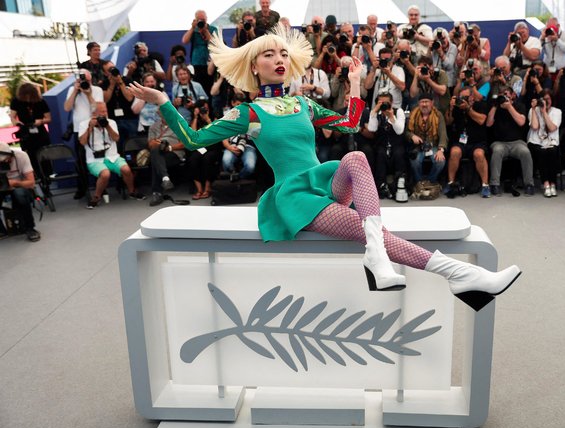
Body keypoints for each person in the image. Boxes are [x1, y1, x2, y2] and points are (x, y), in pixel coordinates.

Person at [128, 24, 520, 309]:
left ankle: (381, 255)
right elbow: (195, 140)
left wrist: (353, 84)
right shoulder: (248, 112)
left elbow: (349, 125)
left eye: (283, 53)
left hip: (323, 183)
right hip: (295, 196)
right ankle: (457, 275)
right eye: (269, 54)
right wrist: (163, 100)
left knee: (353, 156)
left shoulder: (302, 104)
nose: (279, 59)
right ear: (253, 66)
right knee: (370, 229)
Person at [78, 102, 145, 208]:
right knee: (105, 174)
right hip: (94, 160)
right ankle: (96, 197)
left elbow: (116, 138)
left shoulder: (111, 122)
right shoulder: (83, 124)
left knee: (126, 170)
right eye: (102, 112)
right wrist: (90, 127)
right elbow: (82, 142)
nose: (105, 113)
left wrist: (107, 126)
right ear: (94, 113)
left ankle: (132, 191)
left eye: (106, 111)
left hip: (113, 156)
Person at [486, 85, 535, 196]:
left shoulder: (519, 106)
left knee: (525, 152)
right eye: (502, 94)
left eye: (507, 93)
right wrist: (495, 106)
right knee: (497, 151)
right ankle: (495, 184)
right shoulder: (495, 107)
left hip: (517, 142)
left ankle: (529, 184)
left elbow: (521, 122)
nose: (504, 96)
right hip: (499, 142)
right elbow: (488, 123)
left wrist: (509, 107)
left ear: (513, 95)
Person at [443, 86, 491, 198]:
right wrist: (450, 108)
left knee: (479, 154)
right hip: (460, 141)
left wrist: (468, 108)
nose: (463, 99)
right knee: (454, 152)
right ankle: (450, 183)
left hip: (477, 141)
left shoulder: (480, 105)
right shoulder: (456, 107)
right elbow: (449, 122)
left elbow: (481, 120)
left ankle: (485, 185)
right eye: (461, 97)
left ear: (472, 97)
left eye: (466, 96)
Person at [64, 68, 103, 199]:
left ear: (91, 78)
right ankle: (82, 188)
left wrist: (88, 94)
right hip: (78, 130)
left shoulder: (97, 90)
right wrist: (75, 90)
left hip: (95, 128)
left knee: (98, 158)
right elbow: (67, 108)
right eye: (82, 78)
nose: (84, 81)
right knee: (80, 161)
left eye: (86, 78)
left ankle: (101, 186)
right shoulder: (72, 90)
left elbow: (97, 108)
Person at [367, 92, 407, 200]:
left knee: (399, 153)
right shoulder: (376, 113)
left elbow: (400, 131)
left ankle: (399, 186)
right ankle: (381, 186)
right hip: (382, 144)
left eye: (387, 102)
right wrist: (374, 112)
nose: (384, 105)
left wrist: (391, 117)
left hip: (397, 144)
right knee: (380, 154)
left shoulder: (399, 111)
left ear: (392, 102)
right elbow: (372, 129)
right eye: (381, 103)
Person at [0, 142, 41, 242]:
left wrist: (14, 183)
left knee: (20, 194)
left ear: (11, 155)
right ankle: (1, 230)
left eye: (6, 160)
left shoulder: (21, 156)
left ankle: (30, 228)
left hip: (20, 190)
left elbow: (31, 183)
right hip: (2, 191)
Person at [9, 83, 51, 176]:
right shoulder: (16, 101)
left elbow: (48, 118)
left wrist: (41, 121)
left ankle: (46, 175)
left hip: (40, 132)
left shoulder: (40, 102)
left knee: (44, 155)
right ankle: (33, 175)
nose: (27, 98)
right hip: (25, 132)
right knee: (29, 156)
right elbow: (12, 116)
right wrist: (16, 122)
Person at [405, 92, 447, 187]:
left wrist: (441, 150)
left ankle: (430, 181)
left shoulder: (438, 115)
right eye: (422, 102)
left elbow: (443, 134)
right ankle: (419, 182)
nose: (424, 104)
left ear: (432, 103)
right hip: (418, 147)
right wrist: (412, 136)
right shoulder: (413, 114)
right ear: (418, 103)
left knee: (440, 161)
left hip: (433, 146)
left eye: (426, 102)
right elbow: (406, 132)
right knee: (414, 161)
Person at [527, 90, 562, 197]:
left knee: (551, 152)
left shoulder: (557, 112)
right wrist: (534, 109)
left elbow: (552, 128)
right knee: (541, 152)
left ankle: (553, 184)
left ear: (552, 100)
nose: (546, 102)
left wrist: (544, 112)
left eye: (548, 99)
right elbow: (535, 127)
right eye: (544, 100)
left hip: (551, 140)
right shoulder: (533, 110)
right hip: (535, 140)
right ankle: (546, 183)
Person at [147, 115, 186, 206]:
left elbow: (184, 144)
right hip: (159, 153)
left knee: (155, 159)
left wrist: (169, 147)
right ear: (159, 114)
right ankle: (165, 178)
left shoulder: (179, 125)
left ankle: (157, 192)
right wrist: (157, 143)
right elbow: (150, 144)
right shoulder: (153, 127)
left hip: (174, 152)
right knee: (155, 152)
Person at [188, 98, 220, 201]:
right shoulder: (194, 119)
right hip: (200, 147)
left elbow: (215, 132)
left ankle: (207, 188)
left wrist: (207, 119)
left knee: (207, 159)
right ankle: (199, 189)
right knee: (193, 160)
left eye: (205, 108)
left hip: (212, 146)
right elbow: (192, 134)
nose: (203, 110)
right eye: (201, 108)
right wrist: (196, 117)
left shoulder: (214, 116)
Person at [101, 61, 137, 152]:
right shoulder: (104, 84)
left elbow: (129, 98)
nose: (113, 71)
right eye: (110, 70)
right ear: (105, 73)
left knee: (132, 145)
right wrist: (112, 85)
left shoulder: (127, 81)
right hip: (113, 120)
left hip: (129, 118)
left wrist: (120, 82)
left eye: (113, 68)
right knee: (117, 146)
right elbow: (106, 100)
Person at [182, 10, 218, 95]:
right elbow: (184, 41)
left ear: (206, 19)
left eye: (203, 20)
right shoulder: (194, 30)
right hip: (197, 63)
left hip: (210, 63)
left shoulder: (212, 29)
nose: (201, 22)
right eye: (199, 20)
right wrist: (192, 28)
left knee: (210, 86)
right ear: (196, 20)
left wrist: (205, 31)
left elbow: (214, 43)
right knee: (198, 86)